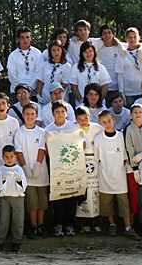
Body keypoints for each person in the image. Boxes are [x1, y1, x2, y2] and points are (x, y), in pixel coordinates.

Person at [95, 111, 140, 239]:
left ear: (113, 120)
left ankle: (128, 227)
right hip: (105, 177)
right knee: (107, 205)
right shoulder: (98, 139)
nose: (107, 124)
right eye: (104, 122)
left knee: (124, 204)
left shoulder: (121, 136)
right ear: (100, 123)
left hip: (120, 177)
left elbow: (125, 158)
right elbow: (97, 158)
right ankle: (112, 225)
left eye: (109, 121)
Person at [41, 100, 79, 237]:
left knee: (71, 194)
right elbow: (44, 148)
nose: (60, 114)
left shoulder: (73, 128)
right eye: (57, 112)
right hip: (55, 167)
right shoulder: (48, 130)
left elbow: (82, 144)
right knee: (57, 196)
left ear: (67, 112)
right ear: (52, 114)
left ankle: (70, 224)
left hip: (71, 166)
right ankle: (58, 224)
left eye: (63, 111)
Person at [13, 103, 47, 239]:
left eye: (32, 114)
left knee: (42, 202)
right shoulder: (19, 132)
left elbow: (42, 149)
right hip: (27, 173)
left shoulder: (41, 132)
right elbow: (18, 151)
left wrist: (38, 166)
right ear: (23, 115)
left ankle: (41, 225)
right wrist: (26, 168)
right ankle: (33, 226)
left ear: (36, 115)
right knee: (32, 202)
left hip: (41, 172)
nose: (30, 116)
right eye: (27, 114)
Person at [74, 106, 104, 234]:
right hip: (80, 162)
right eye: (79, 119)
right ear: (76, 119)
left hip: (95, 162)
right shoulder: (73, 129)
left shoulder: (97, 128)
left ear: (89, 117)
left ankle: (96, 220)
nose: (82, 122)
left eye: (85, 119)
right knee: (82, 192)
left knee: (94, 191)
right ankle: (83, 221)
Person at [0, 145, 27, 252]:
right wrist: (2, 180)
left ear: (15, 156)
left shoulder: (19, 169)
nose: (9, 159)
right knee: (4, 220)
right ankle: (0, 240)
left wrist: (18, 181)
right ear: (3, 157)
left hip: (17, 197)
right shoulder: (1, 169)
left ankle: (16, 241)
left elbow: (24, 184)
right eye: (6, 157)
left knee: (18, 220)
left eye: (11, 156)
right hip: (6, 198)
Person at [124, 103, 142, 221]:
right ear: (131, 115)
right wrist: (135, 169)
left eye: (140, 112)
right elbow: (129, 150)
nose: (138, 114)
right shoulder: (128, 129)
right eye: (135, 112)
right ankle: (131, 222)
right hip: (132, 168)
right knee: (134, 196)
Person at [69, 41, 111, 106]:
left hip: (98, 105)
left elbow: (105, 86)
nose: (88, 54)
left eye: (90, 51)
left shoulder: (101, 67)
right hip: (82, 104)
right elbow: (73, 86)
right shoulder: (76, 67)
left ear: (94, 52)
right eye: (85, 52)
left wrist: (98, 100)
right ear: (82, 53)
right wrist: (81, 100)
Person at [7, 26, 43, 101]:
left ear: (31, 38)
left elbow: (39, 72)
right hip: (16, 92)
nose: (25, 40)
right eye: (22, 37)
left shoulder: (38, 53)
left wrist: (29, 88)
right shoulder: (13, 56)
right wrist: (21, 90)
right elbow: (11, 74)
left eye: (27, 37)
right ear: (18, 39)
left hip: (33, 92)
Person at [116, 27, 142, 107]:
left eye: (135, 37)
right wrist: (121, 92)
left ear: (138, 37)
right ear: (126, 39)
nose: (132, 40)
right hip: (128, 92)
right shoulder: (122, 54)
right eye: (130, 37)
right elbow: (120, 74)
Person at [0, 93, 20, 169]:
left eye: (3, 103)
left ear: (8, 106)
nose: (1, 106)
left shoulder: (14, 122)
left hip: (13, 164)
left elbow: (17, 143)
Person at [36, 40, 72, 105]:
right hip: (45, 96)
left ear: (62, 51)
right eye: (53, 50)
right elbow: (40, 81)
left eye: (58, 50)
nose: (56, 52)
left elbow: (65, 83)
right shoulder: (45, 65)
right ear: (50, 52)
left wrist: (54, 94)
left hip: (60, 97)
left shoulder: (67, 66)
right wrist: (38, 94)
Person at [96, 24, 124, 98]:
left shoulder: (120, 48)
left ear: (113, 34)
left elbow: (135, 45)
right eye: (104, 33)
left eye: (109, 32)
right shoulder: (98, 50)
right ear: (101, 36)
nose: (107, 35)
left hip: (117, 88)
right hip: (102, 87)